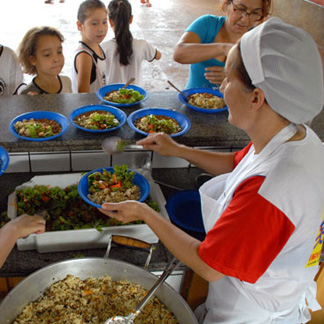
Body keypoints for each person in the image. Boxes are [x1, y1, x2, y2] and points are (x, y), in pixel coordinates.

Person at [100, 17, 324, 323]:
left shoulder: (271, 191)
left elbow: (209, 266)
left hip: (249, 311)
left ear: (256, 97)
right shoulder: (295, 136)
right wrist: (177, 150)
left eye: (228, 79)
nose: (220, 86)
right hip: (265, 287)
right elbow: (237, 164)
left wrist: (144, 212)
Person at [173, 0, 272, 89]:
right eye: (240, 9)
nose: (245, 19)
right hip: (193, 101)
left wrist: (235, 77)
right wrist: (224, 48)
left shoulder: (258, 40)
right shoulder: (207, 24)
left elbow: (267, 82)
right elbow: (179, 54)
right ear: (227, 4)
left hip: (236, 108)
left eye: (255, 13)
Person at [102, 0, 161, 87]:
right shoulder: (142, 45)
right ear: (131, 19)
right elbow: (158, 56)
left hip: (111, 96)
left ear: (110, 21)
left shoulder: (103, 48)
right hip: (136, 96)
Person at [18, 26, 72, 95]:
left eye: (59, 52)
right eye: (47, 55)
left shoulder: (66, 82)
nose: (56, 59)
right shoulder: (28, 93)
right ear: (33, 59)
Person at [71, 0, 108, 93]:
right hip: (91, 107)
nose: (101, 29)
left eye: (104, 22)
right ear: (80, 25)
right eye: (94, 23)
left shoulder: (97, 47)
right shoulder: (85, 57)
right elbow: (83, 97)